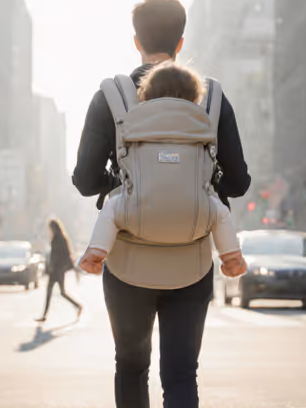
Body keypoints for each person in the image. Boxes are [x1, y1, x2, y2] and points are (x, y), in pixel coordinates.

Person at [73, 0, 251, 408]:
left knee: (131, 365)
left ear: (136, 41)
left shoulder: (110, 96)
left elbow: (83, 180)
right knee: (181, 377)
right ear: (181, 42)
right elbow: (239, 181)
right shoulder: (213, 97)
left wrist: (126, 186)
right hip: (193, 260)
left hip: (126, 260)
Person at [78, 63, 248, 280]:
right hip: (194, 216)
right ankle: (231, 257)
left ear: (145, 97)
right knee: (220, 212)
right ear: (196, 98)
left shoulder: (136, 120)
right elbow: (238, 183)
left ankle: (95, 254)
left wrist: (119, 181)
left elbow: (86, 181)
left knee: (111, 209)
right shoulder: (201, 121)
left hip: (137, 215)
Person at [38, 219, 85, 322]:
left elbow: (61, 255)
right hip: (57, 270)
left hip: (57, 270)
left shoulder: (58, 239)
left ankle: (78, 306)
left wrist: (52, 267)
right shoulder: (60, 238)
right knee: (57, 292)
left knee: (55, 292)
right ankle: (77, 306)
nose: (48, 231)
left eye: (49, 228)